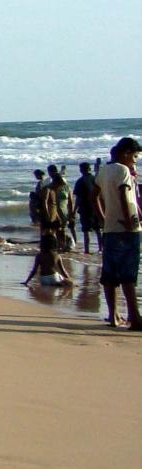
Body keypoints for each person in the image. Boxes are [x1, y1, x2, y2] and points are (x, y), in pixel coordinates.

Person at [95, 137, 141, 329]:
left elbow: (94, 195)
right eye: (135, 156)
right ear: (125, 153)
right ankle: (135, 317)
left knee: (110, 275)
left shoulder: (104, 170)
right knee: (128, 275)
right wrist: (129, 221)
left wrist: (104, 216)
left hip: (110, 228)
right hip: (126, 229)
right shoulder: (123, 170)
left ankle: (113, 316)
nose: (136, 160)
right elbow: (124, 194)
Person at [74, 161, 103, 254]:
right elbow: (101, 195)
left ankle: (87, 250)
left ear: (81, 170)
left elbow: (78, 198)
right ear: (90, 168)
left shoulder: (80, 181)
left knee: (86, 230)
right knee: (98, 230)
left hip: (85, 208)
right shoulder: (96, 179)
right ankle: (101, 249)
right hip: (95, 207)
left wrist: (74, 211)